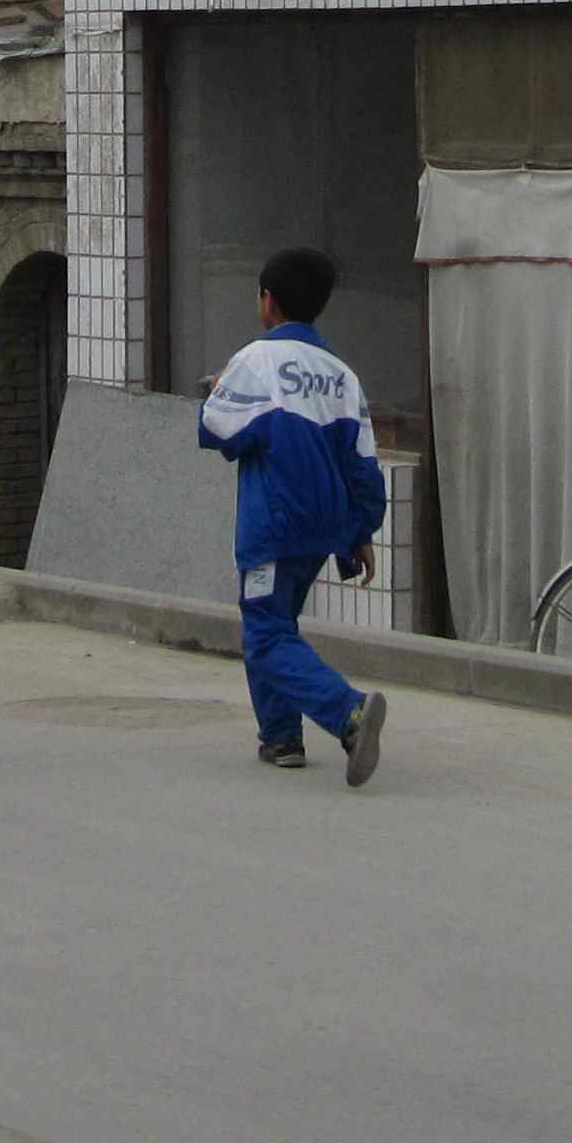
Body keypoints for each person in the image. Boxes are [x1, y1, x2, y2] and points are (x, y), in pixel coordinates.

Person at [195, 247, 392, 786]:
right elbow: (364, 467)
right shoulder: (343, 377)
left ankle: (348, 713)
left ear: (268, 302)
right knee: (277, 623)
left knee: (265, 633)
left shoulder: (256, 360)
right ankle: (280, 737)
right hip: (322, 531)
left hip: (272, 527)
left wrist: (214, 392)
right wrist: (361, 532)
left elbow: (218, 427)